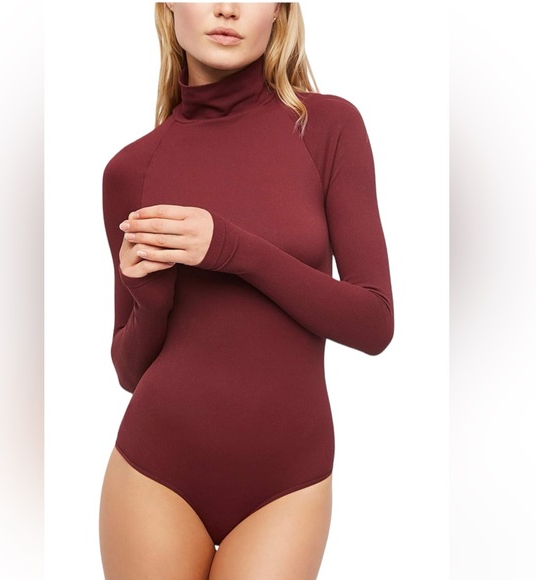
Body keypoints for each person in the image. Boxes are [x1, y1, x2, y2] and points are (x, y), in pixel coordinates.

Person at [98, 2, 394, 578]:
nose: (228, 9)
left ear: (280, 12)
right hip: (155, 470)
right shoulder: (130, 170)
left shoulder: (326, 127)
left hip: (287, 483)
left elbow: (374, 322)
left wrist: (232, 249)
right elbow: (129, 371)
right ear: (168, 6)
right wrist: (149, 302)